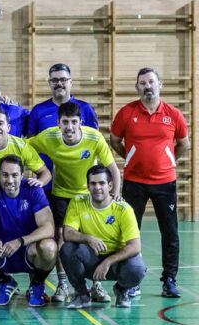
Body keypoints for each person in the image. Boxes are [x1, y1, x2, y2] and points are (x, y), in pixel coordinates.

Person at [29, 101, 120, 303]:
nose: (69, 127)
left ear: (81, 122)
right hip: (61, 194)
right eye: (65, 122)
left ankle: (96, 284)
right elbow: (23, 146)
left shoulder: (94, 138)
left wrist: (116, 195)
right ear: (58, 123)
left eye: (73, 122)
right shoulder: (48, 137)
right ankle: (62, 284)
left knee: (94, 237)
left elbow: (112, 168)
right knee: (62, 238)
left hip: (89, 195)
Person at [110, 67, 189, 298]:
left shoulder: (173, 114)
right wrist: (132, 156)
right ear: (137, 87)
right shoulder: (126, 113)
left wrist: (168, 159)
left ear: (159, 84)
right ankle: (132, 281)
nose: (147, 86)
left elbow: (184, 143)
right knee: (130, 233)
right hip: (134, 182)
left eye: (151, 82)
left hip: (166, 183)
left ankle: (170, 281)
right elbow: (115, 140)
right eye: (142, 83)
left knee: (170, 233)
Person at [0, 155, 57, 306]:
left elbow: (48, 228)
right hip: (2, 252)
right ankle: (4, 281)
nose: (10, 180)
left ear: (22, 175)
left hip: (29, 251)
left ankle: (37, 285)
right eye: (5, 175)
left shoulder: (33, 190)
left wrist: (20, 241)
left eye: (14, 175)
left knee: (50, 247)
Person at [60, 165, 146, 308]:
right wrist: (88, 238)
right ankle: (82, 294)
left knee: (137, 268)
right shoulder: (78, 202)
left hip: (117, 262)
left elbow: (135, 246)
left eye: (102, 183)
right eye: (93, 183)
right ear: (87, 186)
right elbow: (67, 233)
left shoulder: (123, 209)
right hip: (91, 258)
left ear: (110, 185)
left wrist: (108, 262)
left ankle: (122, 290)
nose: (97, 187)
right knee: (67, 249)